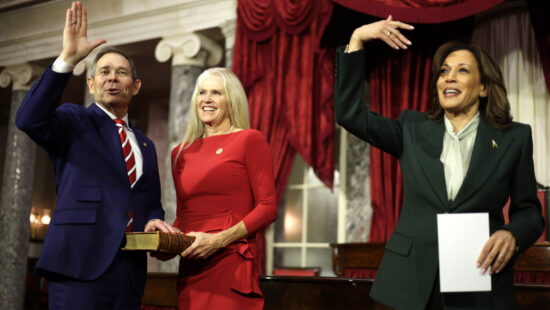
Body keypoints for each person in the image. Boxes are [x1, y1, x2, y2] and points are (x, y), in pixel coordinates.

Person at [334, 16, 544, 310]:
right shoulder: (410, 128)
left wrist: (512, 234)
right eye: (444, 71)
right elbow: (350, 114)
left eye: (462, 70)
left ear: (483, 87)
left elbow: (529, 211)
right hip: (410, 282)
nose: (449, 77)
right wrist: (356, 39)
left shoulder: (515, 138)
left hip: (477, 281)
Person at [15, 2, 177, 309]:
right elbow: (28, 120)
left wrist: (155, 220)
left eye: (121, 72)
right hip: (78, 267)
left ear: (136, 86)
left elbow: (150, 202)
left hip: (129, 272)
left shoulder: (145, 144)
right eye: (103, 72)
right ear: (90, 83)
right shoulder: (74, 120)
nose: (112, 78)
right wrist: (66, 59)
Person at [169, 67, 277, 309]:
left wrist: (218, 240)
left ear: (232, 100)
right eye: (202, 92)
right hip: (192, 265)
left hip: (230, 261)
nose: (206, 99)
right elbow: (183, 216)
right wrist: (167, 242)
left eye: (216, 92)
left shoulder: (250, 140)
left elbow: (268, 207)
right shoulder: (180, 153)